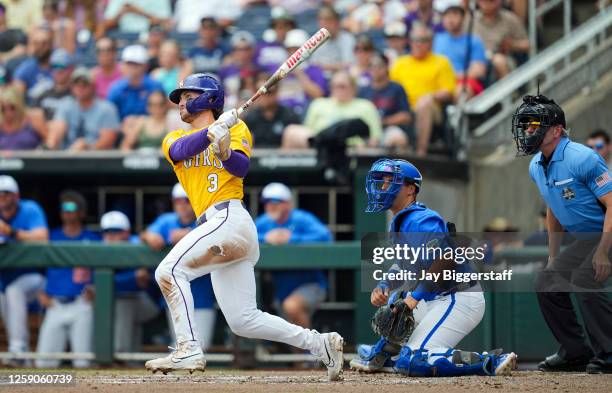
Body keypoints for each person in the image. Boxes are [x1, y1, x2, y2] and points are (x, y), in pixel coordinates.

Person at [144, 73, 344, 381]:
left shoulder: (236, 127)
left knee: (168, 272)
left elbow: (241, 167)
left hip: (228, 219)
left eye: (186, 96)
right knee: (243, 320)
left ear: (207, 98)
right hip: (218, 229)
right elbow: (180, 151)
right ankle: (320, 344)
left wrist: (223, 149)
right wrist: (213, 130)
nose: (180, 103)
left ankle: (188, 347)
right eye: (180, 98)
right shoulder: (174, 137)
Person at [348, 158, 517, 376]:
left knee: (415, 361)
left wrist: (413, 298)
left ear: (410, 189)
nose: (382, 188)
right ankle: (387, 353)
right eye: (381, 182)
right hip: (434, 299)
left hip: (458, 298)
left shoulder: (420, 220)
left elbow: (446, 258)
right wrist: (384, 284)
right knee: (395, 303)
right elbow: (403, 264)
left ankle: (490, 361)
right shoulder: (398, 222)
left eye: (390, 182)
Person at [512, 94, 612, 373]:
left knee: (583, 277)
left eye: (535, 125)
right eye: (527, 126)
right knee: (547, 280)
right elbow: (553, 207)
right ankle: (575, 352)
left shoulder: (582, 157)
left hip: (606, 234)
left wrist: (603, 251)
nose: (529, 131)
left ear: (556, 130)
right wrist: (553, 256)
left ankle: (610, 351)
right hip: (587, 239)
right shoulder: (535, 165)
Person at [141, 183, 216, 351]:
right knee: (181, 347)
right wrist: (149, 235)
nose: (182, 205)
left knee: (202, 348)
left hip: (201, 296)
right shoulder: (166, 221)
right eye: (178, 201)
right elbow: (145, 233)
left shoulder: (209, 219)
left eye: (186, 201)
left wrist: (190, 234)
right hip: (175, 297)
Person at [35, 190, 100, 368]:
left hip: (81, 304)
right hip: (54, 304)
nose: (67, 211)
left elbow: (102, 270)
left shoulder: (93, 239)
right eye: (64, 208)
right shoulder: (51, 237)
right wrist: (39, 291)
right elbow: (36, 267)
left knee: (83, 363)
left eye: (72, 207)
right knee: (43, 364)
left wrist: (95, 288)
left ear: (82, 212)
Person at [255, 183, 330, 330]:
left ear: (287, 203)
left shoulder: (301, 218)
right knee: (289, 332)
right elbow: (244, 237)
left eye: (275, 202)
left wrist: (292, 238)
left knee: (292, 307)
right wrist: (266, 238)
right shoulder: (264, 222)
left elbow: (325, 236)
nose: (270, 206)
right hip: (279, 290)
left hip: (310, 284)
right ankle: (305, 352)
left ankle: (309, 352)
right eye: (267, 202)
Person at [0, 175, 48, 365]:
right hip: (4, 278)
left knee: (14, 290)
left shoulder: (30, 209)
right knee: (5, 296)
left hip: (35, 277)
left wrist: (11, 231)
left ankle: (18, 349)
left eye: (6, 194)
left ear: (16, 196)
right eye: (0, 194)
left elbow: (42, 237)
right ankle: (21, 355)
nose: (2, 197)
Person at [390, 24, 456, 156]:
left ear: (431, 42)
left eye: (423, 40)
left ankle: (420, 152)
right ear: (410, 42)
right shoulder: (400, 63)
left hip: (433, 108)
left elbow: (448, 91)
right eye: (415, 40)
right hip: (405, 107)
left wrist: (430, 97)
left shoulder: (441, 62)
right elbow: (391, 88)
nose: (418, 44)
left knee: (423, 104)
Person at [100, 210, 160, 353]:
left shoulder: (139, 244)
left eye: (116, 231)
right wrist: (132, 278)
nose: (111, 236)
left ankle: (121, 353)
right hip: (113, 303)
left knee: (124, 302)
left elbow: (150, 280)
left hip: (149, 302)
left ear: (126, 232)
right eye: (107, 232)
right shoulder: (99, 248)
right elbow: (97, 284)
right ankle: (126, 358)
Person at [301, 70, 382, 147]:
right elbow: (307, 132)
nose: (337, 89)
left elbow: (375, 137)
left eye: (342, 86)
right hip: (320, 147)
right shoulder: (318, 104)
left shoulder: (366, 106)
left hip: (353, 150)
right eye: (334, 86)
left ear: (353, 88)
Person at [47, 67, 120, 150]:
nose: (80, 87)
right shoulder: (66, 104)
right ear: (72, 86)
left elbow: (108, 140)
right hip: (68, 156)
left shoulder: (106, 108)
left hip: (97, 158)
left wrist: (87, 147)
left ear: (93, 86)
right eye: (76, 84)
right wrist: (52, 144)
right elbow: (58, 127)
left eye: (85, 84)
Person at [358, 53, 412, 149]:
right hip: (366, 131)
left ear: (387, 67)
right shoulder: (362, 90)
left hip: (388, 129)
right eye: (371, 66)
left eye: (379, 65)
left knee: (397, 138)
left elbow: (405, 116)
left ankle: (394, 164)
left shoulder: (396, 88)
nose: (375, 69)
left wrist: (383, 122)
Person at [433, 3, 487, 98]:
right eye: (446, 15)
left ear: (463, 18)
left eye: (454, 14)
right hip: (437, 83)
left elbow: (478, 71)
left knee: (461, 91)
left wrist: (450, 76)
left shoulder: (474, 40)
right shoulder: (435, 39)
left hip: (462, 82)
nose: (450, 19)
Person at [472, 0, 529, 79]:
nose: (486, 2)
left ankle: (510, 91)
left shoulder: (509, 18)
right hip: (477, 59)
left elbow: (528, 44)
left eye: (491, 1)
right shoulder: (470, 20)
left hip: (503, 56)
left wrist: (513, 44)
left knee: (499, 61)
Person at [276, 29, 326, 118]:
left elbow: (318, 95)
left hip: (304, 112)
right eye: (289, 49)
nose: (293, 53)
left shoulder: (314, 70)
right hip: (281, 112)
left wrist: (299, 72)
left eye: (297, 49)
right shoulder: (279, 69)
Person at [243, 72, 301, 148]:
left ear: (277, 92)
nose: (264, 96)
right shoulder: (250, 118)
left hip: (284, 158)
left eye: (268, 92)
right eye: (259, 93)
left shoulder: (290, 116)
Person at [108, 45, 164, 121]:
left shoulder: (155, 86)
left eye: (136, 64)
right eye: (129, 64)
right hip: (122, 129)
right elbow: (111, 115)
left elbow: (160, 113)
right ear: (123, 65)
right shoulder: (116, 88)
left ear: (145, 66)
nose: (132, 68)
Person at [218, 30, 258, 110]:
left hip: (253, 109)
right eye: (238, 49)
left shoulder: (258, 70)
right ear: (233, 51)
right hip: (228, 108)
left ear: (252, 50)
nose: (243, 53)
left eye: (246, 49)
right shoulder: (225, 70)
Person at [12, 27, 53, 105]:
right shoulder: (24, 69)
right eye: (36, 43)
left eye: (44, 43)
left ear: (51, 45)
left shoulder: (58, 65)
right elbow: (17, 99)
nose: (40, 47)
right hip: (33, 111)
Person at [309, 6, 356, 75]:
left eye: (328, 21)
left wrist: (325, 67)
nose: (325, 25)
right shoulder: (316, 40)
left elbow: (349, 65)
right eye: (322, 22)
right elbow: (313, 66)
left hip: (342, 78)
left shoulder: (347, 39)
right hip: (321, 80)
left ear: (337, 22)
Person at [32, 48, 75, 121]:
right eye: (54, 66)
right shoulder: (42, 92)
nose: (58, 70)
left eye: (62, 66)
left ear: (70, 69)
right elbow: (34, 116)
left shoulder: (77, 93)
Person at [101, 0, 171, 35]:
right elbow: (107, 23)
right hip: (124, 36)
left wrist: (138, 11)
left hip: (149, 36)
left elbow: (167, 22)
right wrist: (120, 13)